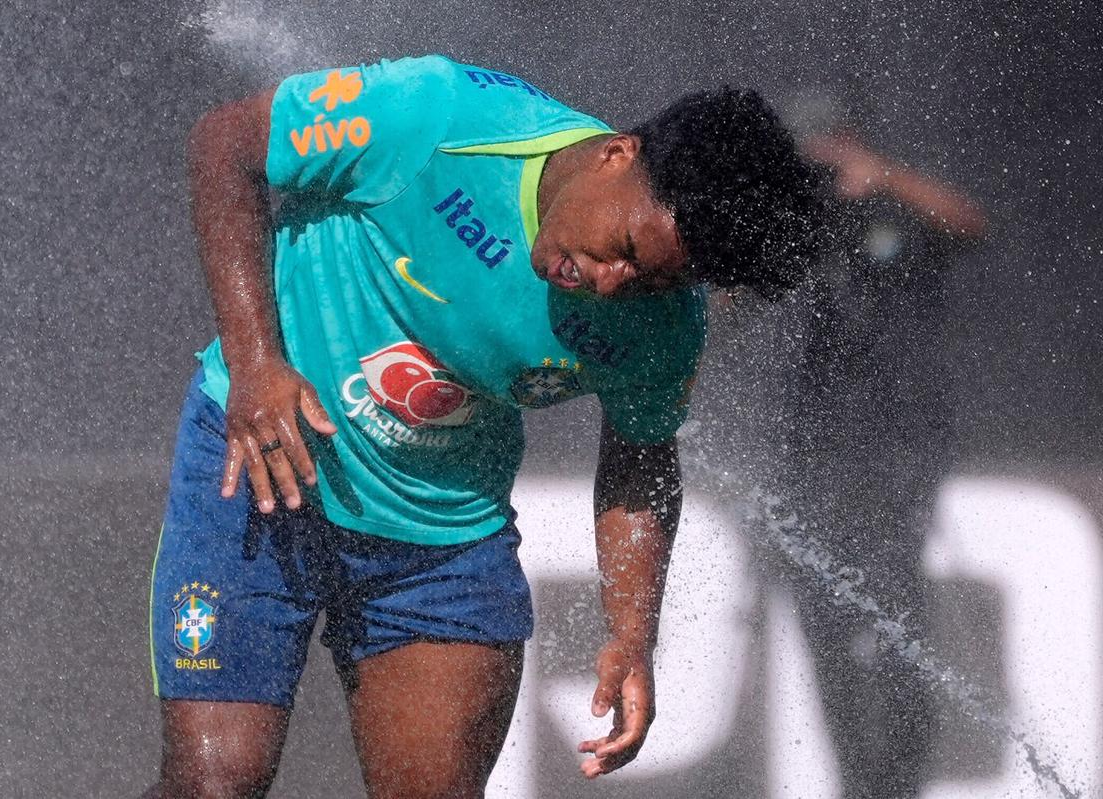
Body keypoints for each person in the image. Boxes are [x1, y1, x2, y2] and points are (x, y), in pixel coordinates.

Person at [145, 54, 822, 799]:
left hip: (438, 544)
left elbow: (640, 457)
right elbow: (225, 143)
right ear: (617, 154)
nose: (610, 283)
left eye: (652, 280)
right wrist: (256, 363)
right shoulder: (436, 113)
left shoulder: (665, 329)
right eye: (627, 248)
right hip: (261, 467)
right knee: (213, 786)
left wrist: (632, 634)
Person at [768, 130, 985, 798]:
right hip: (814, 454)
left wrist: (882, 177)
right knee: (825, 621)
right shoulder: (793, 229)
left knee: (897, 616)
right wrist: (777, 214)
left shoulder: (899, 213)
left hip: (897, 451)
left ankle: (902, 781)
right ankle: (858, 781)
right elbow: (725, 303)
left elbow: (971, 224)